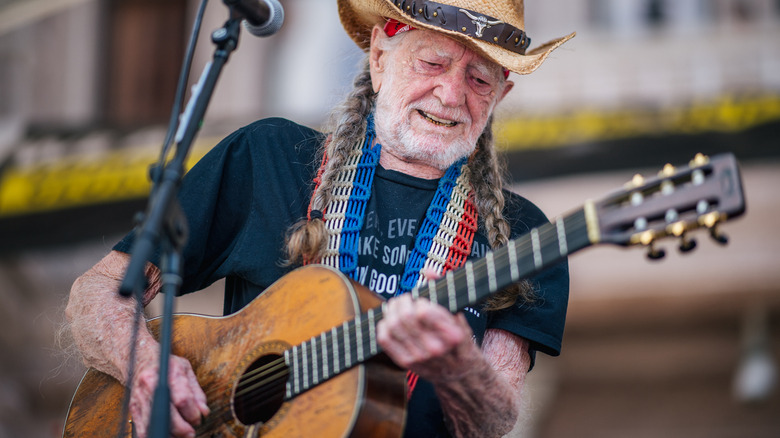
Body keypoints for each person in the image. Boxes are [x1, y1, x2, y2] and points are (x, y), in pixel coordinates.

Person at [66, 0, 574, 437]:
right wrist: (149, 370)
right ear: (379, 57)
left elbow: (491, 423)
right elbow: (98, 292)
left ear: (499, 97)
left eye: (479, 78)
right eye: (433, 62)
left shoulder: (522, 232)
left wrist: (459, 369)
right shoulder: (266, 156)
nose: (450, 93)